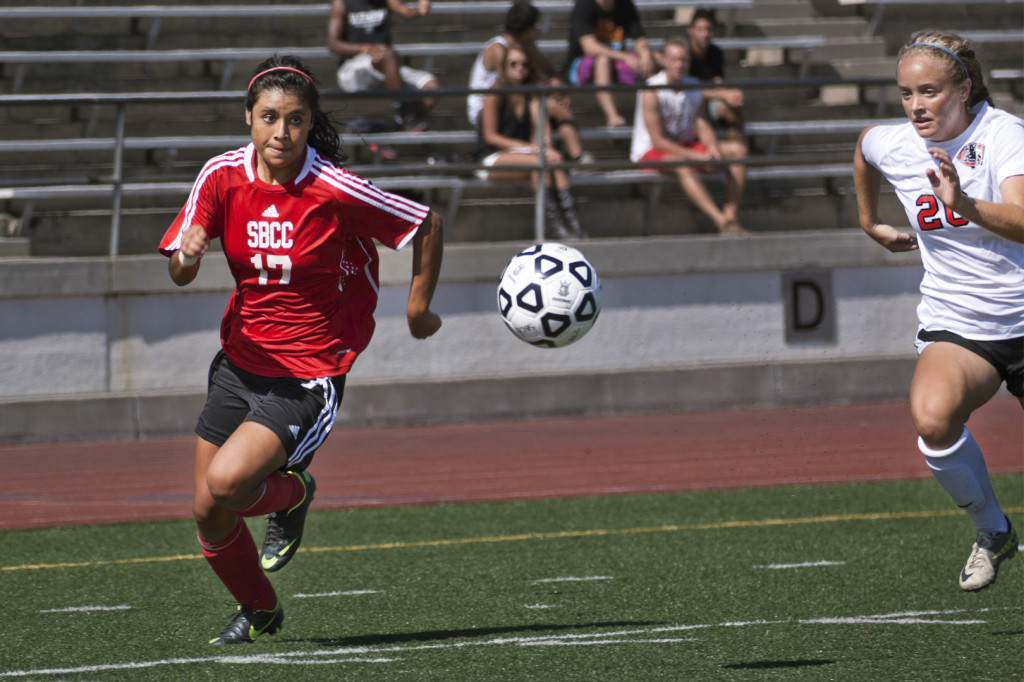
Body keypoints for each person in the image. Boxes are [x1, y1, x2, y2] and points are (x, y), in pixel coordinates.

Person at [159, 55, 444, 644]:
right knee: (206, 510)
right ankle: (260, 609)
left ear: (309, 124)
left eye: (294, 120)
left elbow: (425, 224)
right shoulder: (219, 176)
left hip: (307, 374)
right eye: (269, 118)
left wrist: (417, 311)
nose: (281, 132)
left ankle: (295, 492)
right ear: (249, 119)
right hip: (239, 364)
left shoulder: (332, 188)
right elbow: (181, 272)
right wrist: (189, 253)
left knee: (232, 486)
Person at [853, 31, 1023, 591]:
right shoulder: (897, 143)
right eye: (906, 94)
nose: (916, 106)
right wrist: (869, 222)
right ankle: (992, 530)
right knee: (932, 418)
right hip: (961, 326)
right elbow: (864, 148)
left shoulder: (1003, 136)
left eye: (928, 91)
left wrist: (965, 204)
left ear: (964, 89)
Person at [630, 36, 747, 235]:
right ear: (665, 61)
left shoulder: (693, 85)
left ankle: (731, 214)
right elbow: (658, 142)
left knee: (738, 150)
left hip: (684, 147)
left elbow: (702, 123)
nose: (679, 65)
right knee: (682, 163)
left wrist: (711, 147)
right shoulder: (652, 89)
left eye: (683, 60)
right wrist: (697, 156)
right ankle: (720, 222)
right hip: (651, 151)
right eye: (674, 60)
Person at [477, 46, 586, 240]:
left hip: (526, 155)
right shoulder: (494, 93)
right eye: (514, 64)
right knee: (539, 162)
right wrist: (530, 148)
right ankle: (554, 226)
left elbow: (542, 132)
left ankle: (571, 223)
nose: (520, 68)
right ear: (504, 67)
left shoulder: (533, 96)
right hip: (492, 157)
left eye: (525, 64)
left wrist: (547, 148)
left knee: (554, 161)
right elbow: (490, 137)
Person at [468, 0, 592, 168]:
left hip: (517, 102)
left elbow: (547, 70)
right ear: (530, 29)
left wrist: (555, 84)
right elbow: (510, 83)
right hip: (491, 109)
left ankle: (577, 157)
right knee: (540, 104)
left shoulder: (526, 45)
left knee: (557, 106)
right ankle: (548, 154)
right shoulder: (498, 49)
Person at [326, 0, 439, 131]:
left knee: (431, 87)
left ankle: (399, 128)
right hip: (353, 68)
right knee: (386, 53)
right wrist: (366, 48)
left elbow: (406, 12)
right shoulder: (342, 3)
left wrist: (420, 9)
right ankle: (406, 114)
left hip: (384, 63)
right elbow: (333, 44)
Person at [565, 0, 655, 127]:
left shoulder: (625, 4)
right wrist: (624, 56)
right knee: (603, 61)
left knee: (655, 59)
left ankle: (655, 116)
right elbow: (589, 47)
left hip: (616, 63)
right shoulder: (583, 6)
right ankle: (613, 117)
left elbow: (639, 37)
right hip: (582, 66)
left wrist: (645, 53)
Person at [687, 8, 744, 143]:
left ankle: (737, 154)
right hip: (688, 104)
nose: (705, 34)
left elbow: (718, 81)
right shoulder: (684, 54)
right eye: (700, 29)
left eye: (708, 29)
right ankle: (736, 154)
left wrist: (731, 95)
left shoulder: (715, 53)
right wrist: (723, 94)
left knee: (733, 109)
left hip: (707, 101)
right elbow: (687, 91)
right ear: (691, 30)